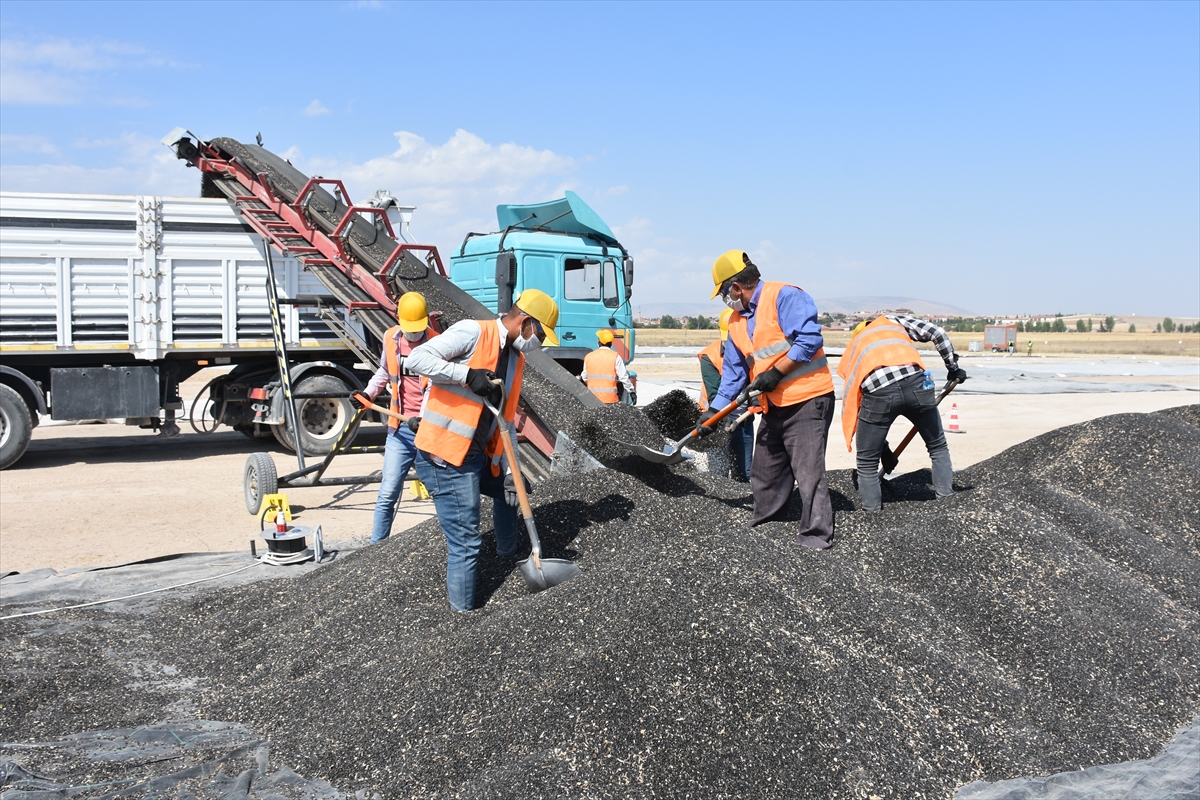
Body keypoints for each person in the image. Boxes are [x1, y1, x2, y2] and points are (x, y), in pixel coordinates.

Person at [406, 288, 560, 612]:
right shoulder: (473, 332)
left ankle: (508, 556)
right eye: (541, 334)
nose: (540, 342)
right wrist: (466, 375)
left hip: (477, 456)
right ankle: (463, 622)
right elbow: (417, 359)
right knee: (466, 541)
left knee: (514, 490)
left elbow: (506, 422)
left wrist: (510, 469)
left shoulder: (516, 359)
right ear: (526, 321)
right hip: (446, 457)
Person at [700, 250, 837, 549]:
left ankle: (815, 538)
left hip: (807, 399)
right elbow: (734, 376)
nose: (726, 298)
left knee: (808, 472)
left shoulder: (784, 296)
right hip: (772, 405)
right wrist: (713, 412)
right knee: (764, 471)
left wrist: (776, 372)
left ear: (736, 287)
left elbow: (809, 340)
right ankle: (768, 528)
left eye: (724, 292)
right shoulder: (736, 322)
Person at [837, 315, 969, 512]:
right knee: (938, 447)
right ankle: (946, 506)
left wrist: (882, 452)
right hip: (917, 383)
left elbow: (861, 409)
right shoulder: (891, 321)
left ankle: (872, 517)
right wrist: (953, 368)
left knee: (866, 464)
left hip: (879, 391)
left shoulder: (854, 348)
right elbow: (938, 332)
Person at [351, 292, 435, 543]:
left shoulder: (439, 342)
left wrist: (422, 418)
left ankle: (444, 546)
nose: (413, 334)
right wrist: (367, 393)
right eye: (409, 329)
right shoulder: (390, 338)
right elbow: (385, 372)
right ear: (399, 320)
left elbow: (436, 387)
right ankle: (377, 547)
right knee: (388, 493)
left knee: (440, 494)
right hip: (399, 429)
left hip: (428, 431)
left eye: (418, 329)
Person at [697, 307, 754, 482]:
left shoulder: (752, 351)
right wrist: (721, 417)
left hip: (743, 420)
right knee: (718, 474)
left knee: (743, 473)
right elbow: (715, 391)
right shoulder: (710, 356)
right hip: (715, 420)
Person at [581, 329, 636, 405]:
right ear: (611, 343)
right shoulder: (615, 357)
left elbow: (584, 377)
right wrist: (631, 391)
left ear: (599, 342)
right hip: (610, 400)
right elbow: (623, 377)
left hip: (592, 399)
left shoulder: (589, 356)